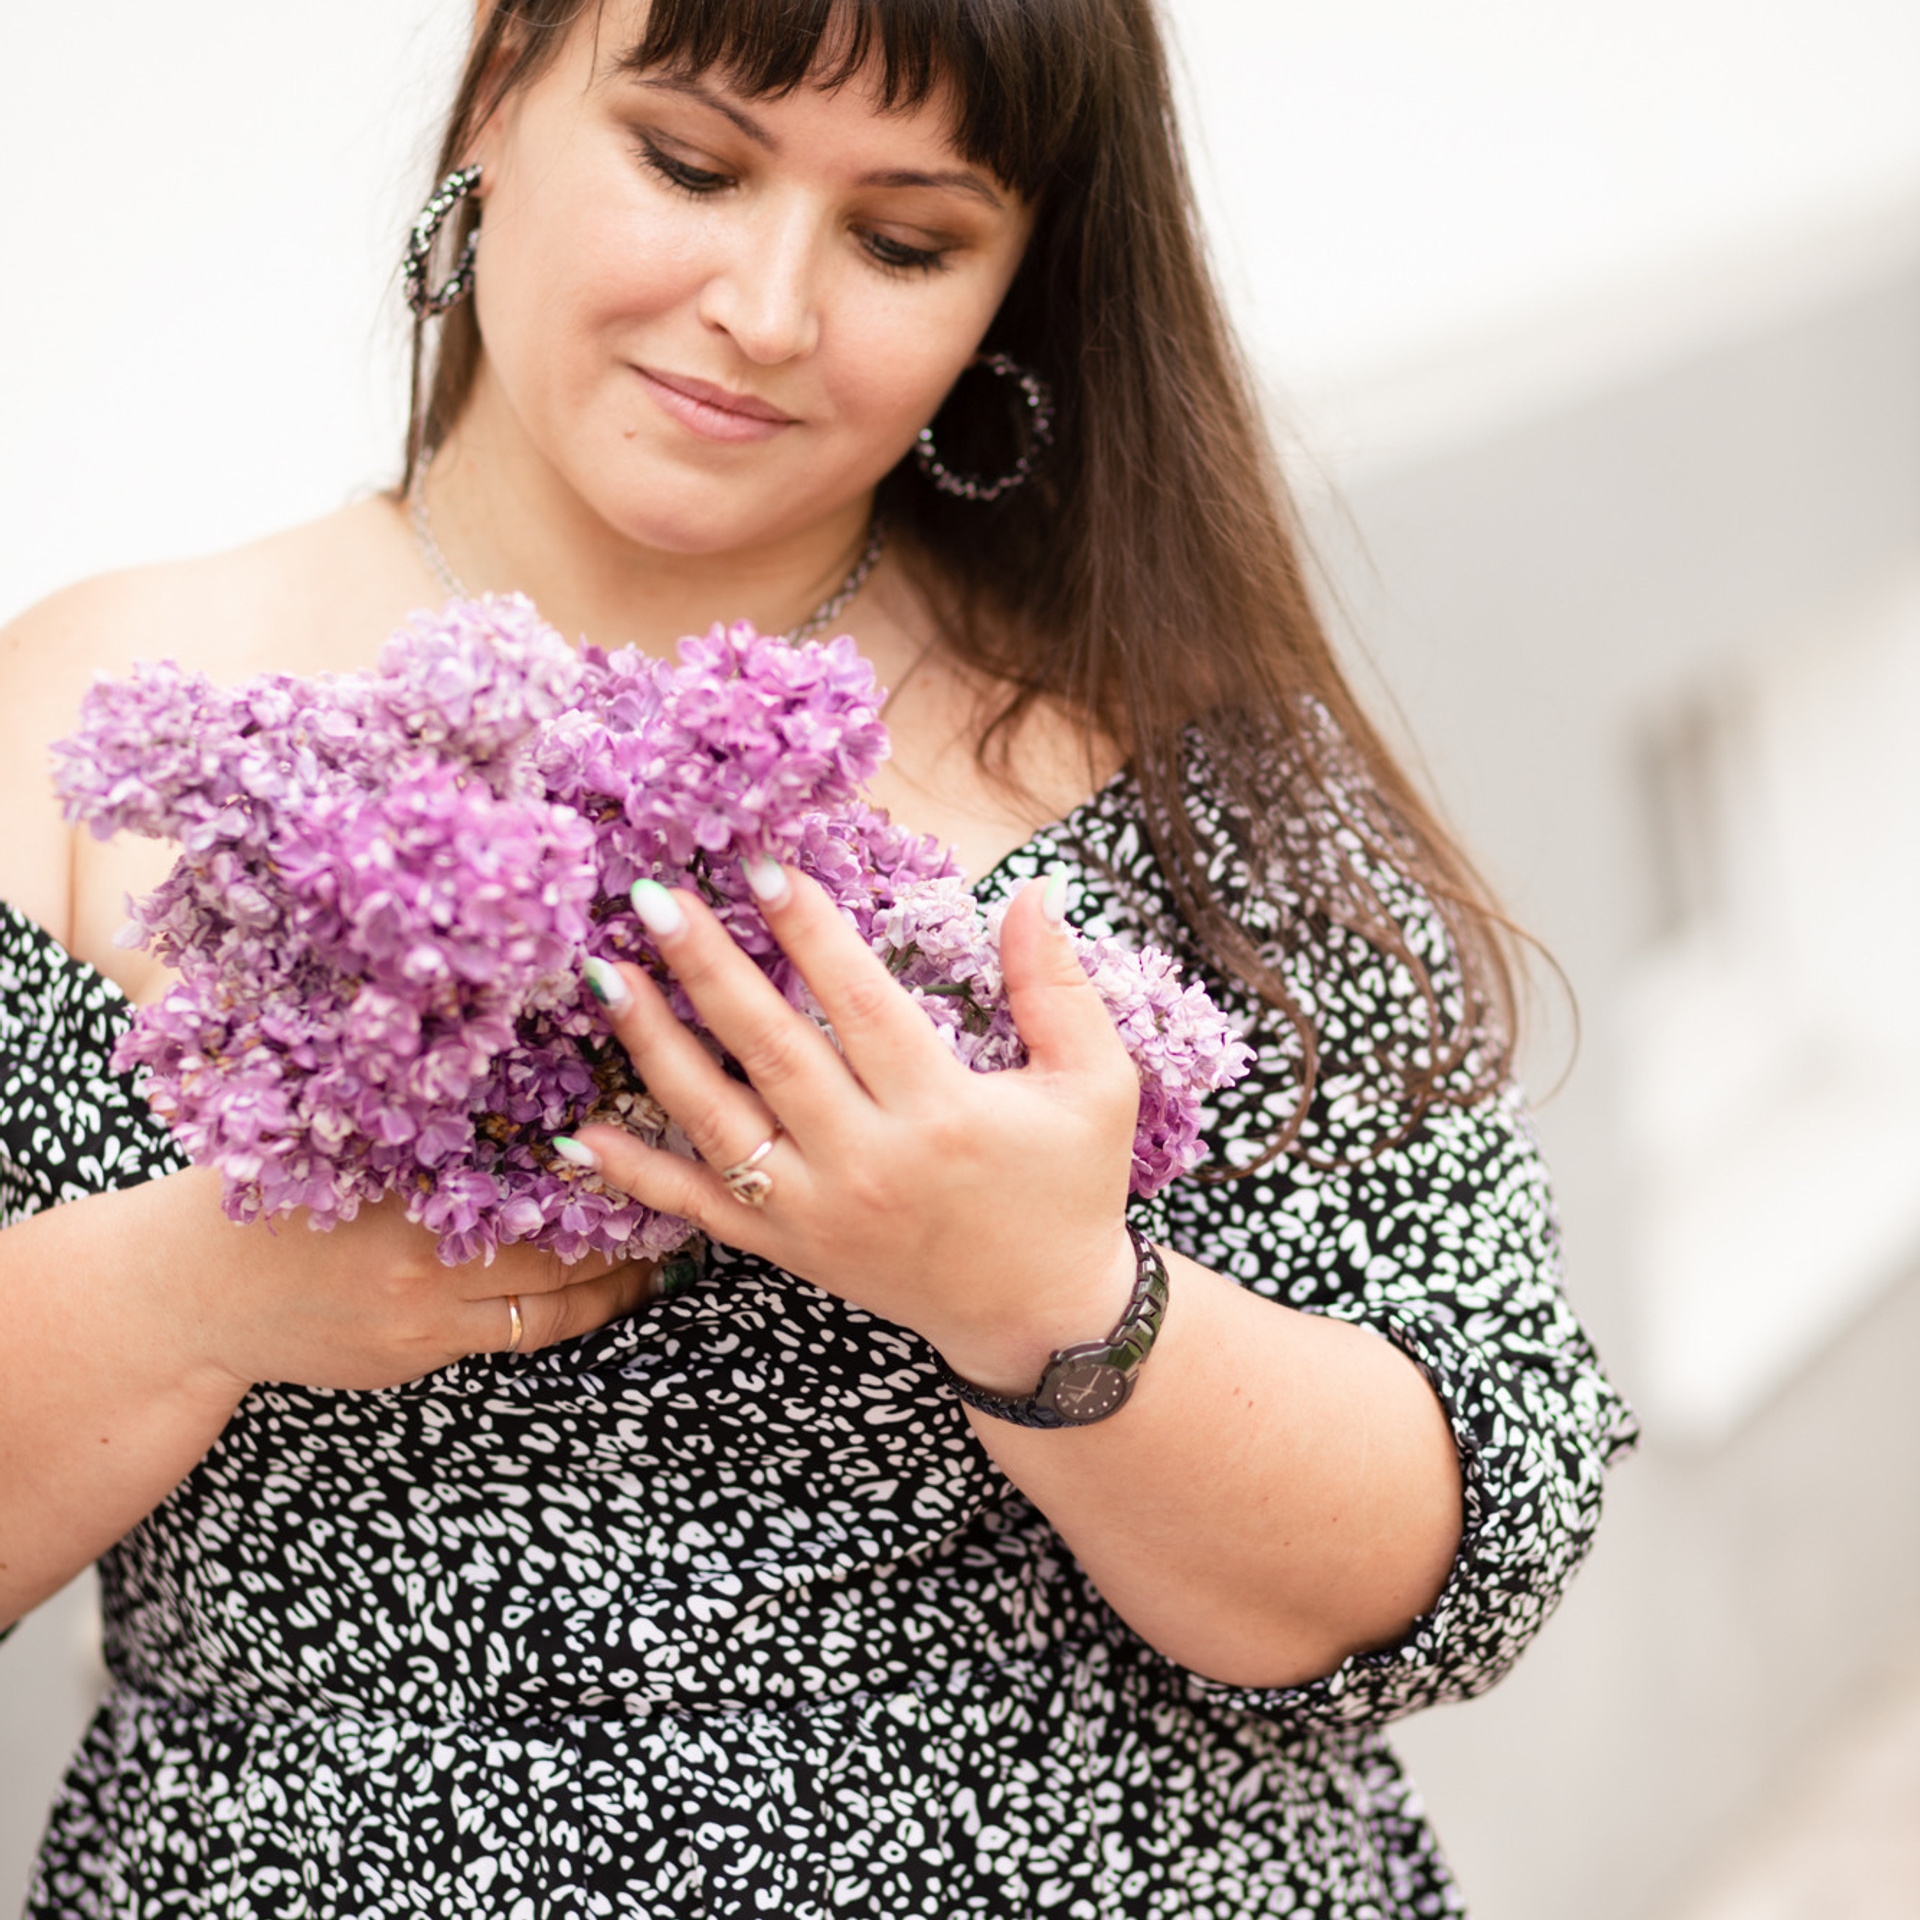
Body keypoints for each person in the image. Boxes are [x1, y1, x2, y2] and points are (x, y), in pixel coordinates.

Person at [0, 0, 1637, 1912]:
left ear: (1013, 288)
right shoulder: (94, 729)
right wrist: (186, 1289)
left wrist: (1052, 1304)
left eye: (903, 240)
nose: (767, 311)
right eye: (690, 165)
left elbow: (1478, 1549)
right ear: (509, 88)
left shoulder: (1158, 760)